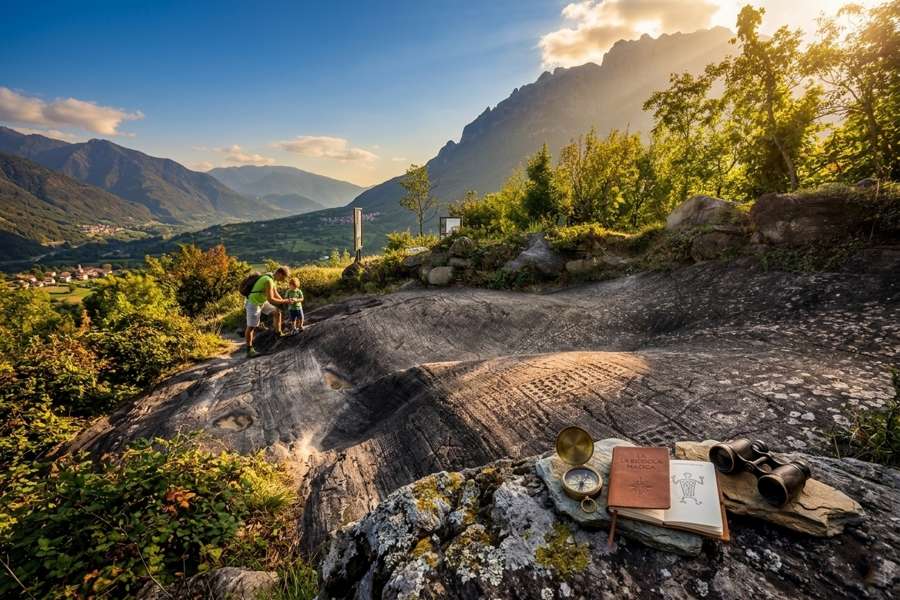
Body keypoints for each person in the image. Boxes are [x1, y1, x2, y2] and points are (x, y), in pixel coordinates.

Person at [245, 266, 298, 358]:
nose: (283, 279)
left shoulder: (272, 278)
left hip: (261, 301)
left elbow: (275, 293)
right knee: (251, 327)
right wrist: (286, 301)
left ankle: (278, 334)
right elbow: (271, 299)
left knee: (277, 312)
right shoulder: (268, 280)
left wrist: (285, 300)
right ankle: (249, 350)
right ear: (279, 273)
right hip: (253, 303)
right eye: (283, 277)